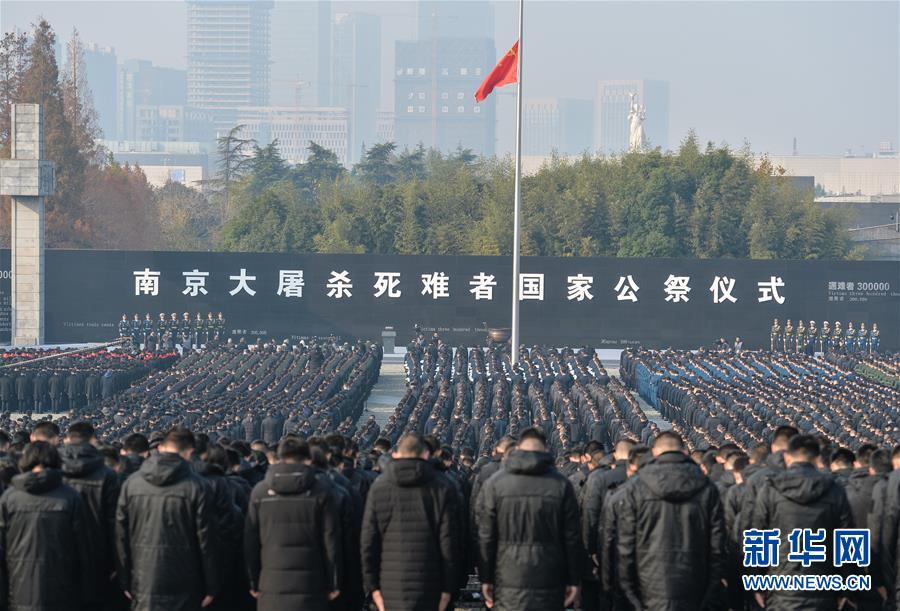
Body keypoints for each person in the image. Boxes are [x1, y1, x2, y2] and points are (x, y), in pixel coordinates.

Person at [617, 431, 725, 610]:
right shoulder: (707, 487)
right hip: (695, 583)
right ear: (684, 452)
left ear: (654, 453)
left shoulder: (636, 487)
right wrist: (711, 590)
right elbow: (717, 545)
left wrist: (629, 592)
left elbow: (626, 544)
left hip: (649, 583)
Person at [477, 427, 582, 611]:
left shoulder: (496, 484)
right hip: (549, 575)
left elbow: (486, 536)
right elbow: (572, 538)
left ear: (518, 448)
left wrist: (485, 577)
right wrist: (573, 579)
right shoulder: (561, 485)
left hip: (508, 575)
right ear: (546, 449)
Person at [115, 426, 219, 611]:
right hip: (186, 578)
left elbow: (121, 535)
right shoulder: (197, 486)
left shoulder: (132, 483)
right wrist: (211, 585)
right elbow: (207, 540)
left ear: (161, 448)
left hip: (143, 575)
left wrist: (124, 579)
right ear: (189, 451)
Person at [751, 434, 853, 611]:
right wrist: (847, 587)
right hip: (823, 588)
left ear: (787, 456)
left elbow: (759, 537)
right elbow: (848, 541)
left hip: (781, 588)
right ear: (818, 459)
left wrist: (757, 583)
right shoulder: (834, 490)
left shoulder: (771, 489)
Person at [361, 432, 458, 611]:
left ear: (396, 455)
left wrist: (372, 587)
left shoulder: (380, 487)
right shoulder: (441, 487)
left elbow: (368, 542)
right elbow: (448, 543)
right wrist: (448, 588)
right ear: (426, 455)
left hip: (389, 582)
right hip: (430, 581)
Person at [244, 436, 342, 611]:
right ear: (308, 459)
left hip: (271, 583)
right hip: (311, 584)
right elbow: (331, 541)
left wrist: (252, 581)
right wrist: (333, 582)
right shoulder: (321, 491)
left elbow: (251, 542)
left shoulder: (260, 492)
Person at [0, 441, 95, 610]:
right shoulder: (70, 496)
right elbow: (84, 549)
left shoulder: (9, 498)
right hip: (63, 588)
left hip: (19, 586)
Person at [60, 421, 122, 611]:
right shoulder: (108, 475)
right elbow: (114, 524)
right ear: (93, 441)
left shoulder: (52, 469)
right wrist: (116, 563)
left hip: (57, 551)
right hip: (97, 554)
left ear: (67, 440)